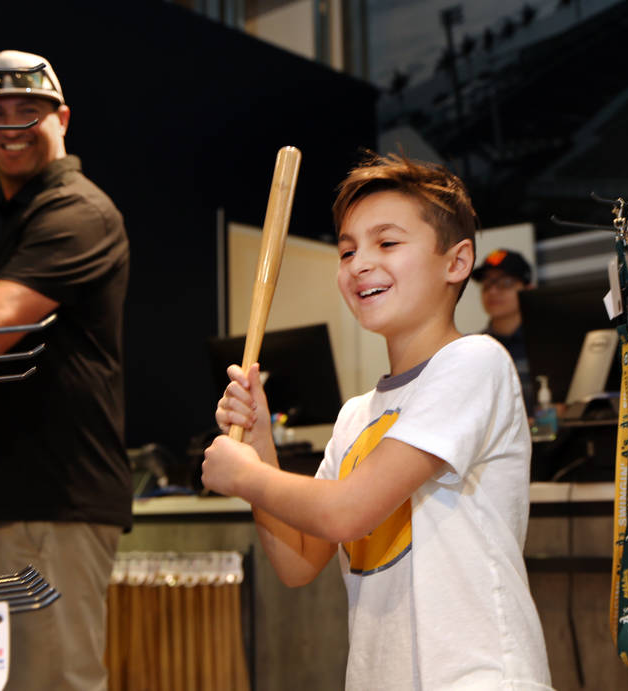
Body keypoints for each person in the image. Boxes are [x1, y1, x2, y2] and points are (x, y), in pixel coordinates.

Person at [204, 153, 552, 689]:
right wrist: (259, 449)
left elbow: (347, 512)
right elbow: (298, 564)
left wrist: (246, 475)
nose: (359, 263)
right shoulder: (355, 415)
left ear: (457, 262)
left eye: (387, 243)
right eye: (348, 250)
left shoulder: (474, 362)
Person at [0, 50, 131, 691]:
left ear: (61, 117)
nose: (9, 126)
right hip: (3, 509)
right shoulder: (21, 218)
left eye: (27, 110)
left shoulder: (77, 213)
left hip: (46, 511)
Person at [471, 248, 536, 416]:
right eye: (487, 284)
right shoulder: (475, 348)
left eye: (505, 284)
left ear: (528, 289)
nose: (493, 291)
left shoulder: (547, 343)